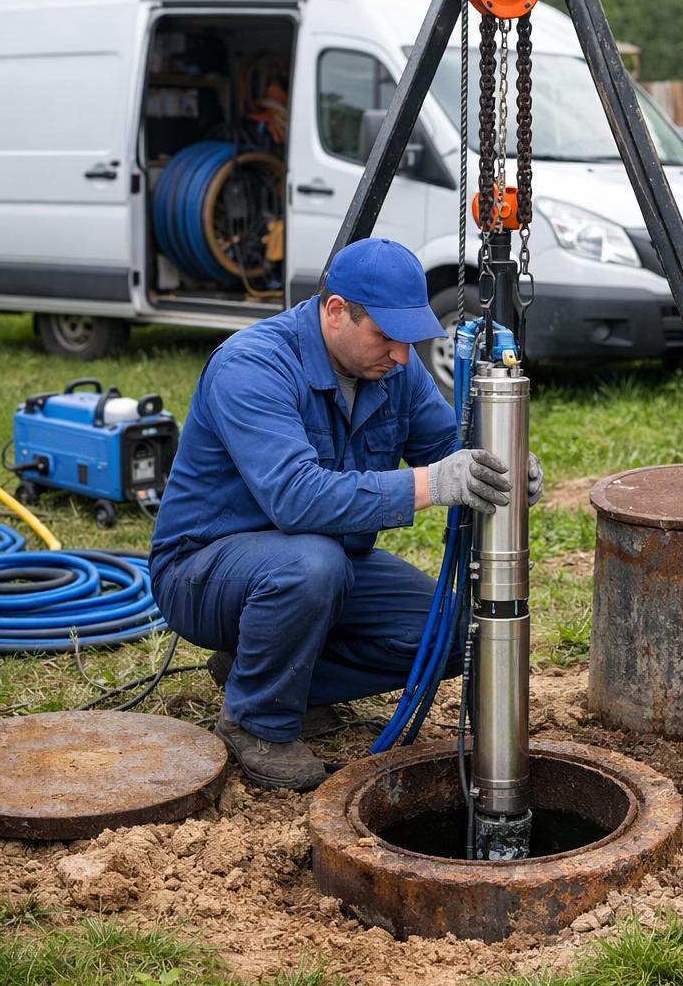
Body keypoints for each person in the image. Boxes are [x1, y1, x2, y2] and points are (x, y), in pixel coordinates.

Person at [150, 237, 542, 791]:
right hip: (204, 572)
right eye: (386, 336)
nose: (402, 356)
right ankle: (258, 721)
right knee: (311, 565)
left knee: (453, 635)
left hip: (328, 563)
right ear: (336, 311)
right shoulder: (252, 365)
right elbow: (295, 497)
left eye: (409, 339)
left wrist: (503, 462)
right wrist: (435, 484)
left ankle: (263, 673)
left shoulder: (393, 370)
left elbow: (446, 446)